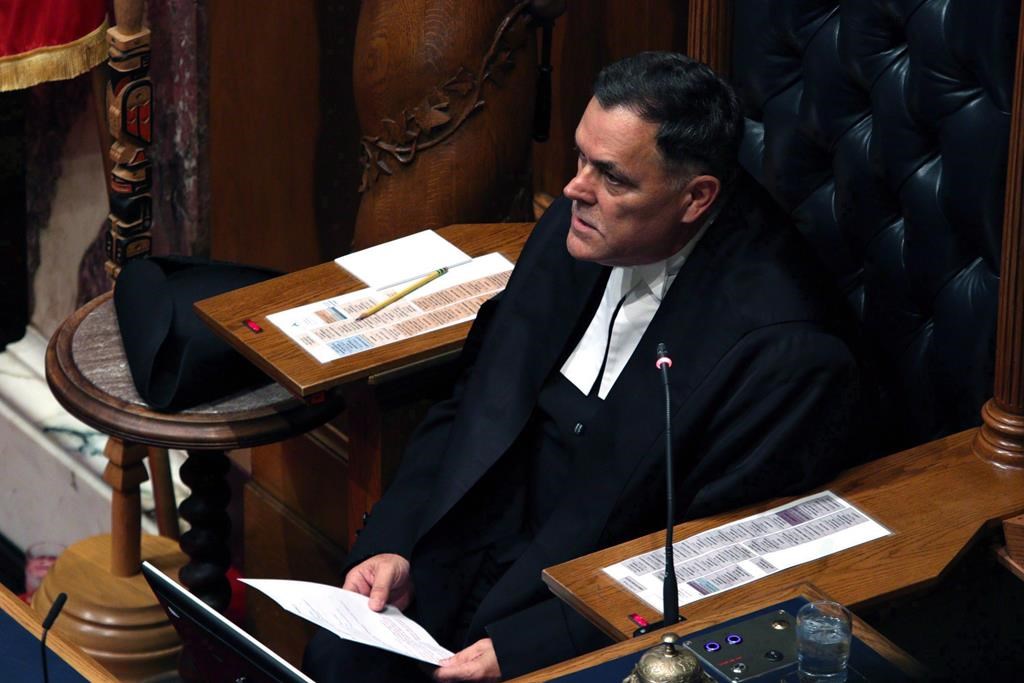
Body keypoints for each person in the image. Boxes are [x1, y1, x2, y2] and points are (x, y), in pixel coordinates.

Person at [303, 52, 869, 682]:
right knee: (337, 660)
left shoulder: (784, 351)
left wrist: (536, 647)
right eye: (580, 157)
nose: (576, 187)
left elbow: (719, 556)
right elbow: (474, 402)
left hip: (586, 603)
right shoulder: (582, 220)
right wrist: (395, 543)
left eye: (611, 175)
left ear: (696, 197)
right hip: (466, 540)